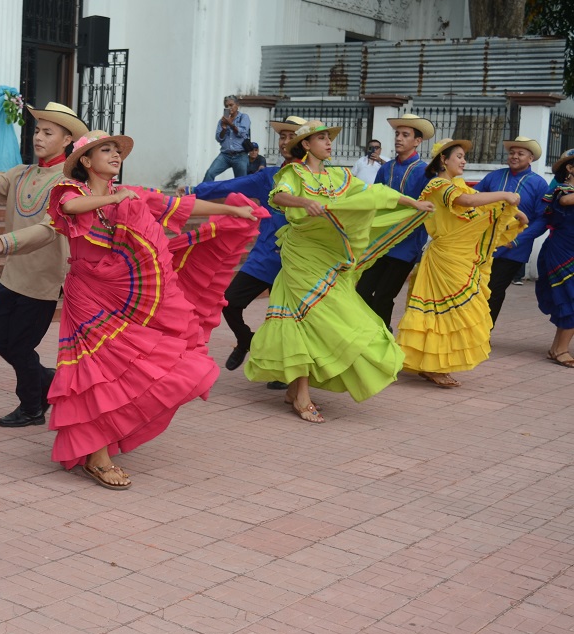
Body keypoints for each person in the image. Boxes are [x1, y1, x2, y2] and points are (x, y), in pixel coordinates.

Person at [47, 130, 265, 489]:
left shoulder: (130, 195)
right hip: (88, 295)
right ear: (85, 162)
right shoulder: (73, 192)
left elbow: (180, 207)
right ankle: (97, 456)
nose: (115, 155)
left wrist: (231, 209)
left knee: (138, 368)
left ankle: (106, 438)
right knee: (94, 371)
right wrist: (117, 196)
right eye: (106, 150)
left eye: (117, 150)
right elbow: (69, 209)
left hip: (125, 296)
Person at [244, 121, 434, 423]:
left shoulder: (339, 176)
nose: (329, 143)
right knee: (307, 318)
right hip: (301, 255)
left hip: (330, 259)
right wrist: (305, 201)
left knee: (317, 319)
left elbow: (374, 194)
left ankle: (296, 391)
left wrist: (412, 202)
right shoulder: (295, 174)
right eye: (322, 139)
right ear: (306, 145)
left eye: (329, 138)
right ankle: (301, 396)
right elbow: (278, 196)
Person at [0, 102, 88, 428]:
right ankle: (47, 380)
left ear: (67, 140)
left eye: (48, 132)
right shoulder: (21, 173)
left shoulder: (67, 185)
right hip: (13, 275)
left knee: (21, 345)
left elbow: (49, 229)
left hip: (43, 280)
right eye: (37, 130)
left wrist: (3, 241)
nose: (38, 136)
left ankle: (31, 407)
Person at [179, 115, 307, 392]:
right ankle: (245, 339)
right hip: (266, 256)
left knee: (286, 318)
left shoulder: (319, 179)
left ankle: (286, 370)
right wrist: (193, 191)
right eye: (282, 137)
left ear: (305, 142)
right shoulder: (269, 175)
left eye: (290, 137)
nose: (284, 142)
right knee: (229, 301)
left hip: (300, 260)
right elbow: (229, 187)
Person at [397, 139, 526, 388]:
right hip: (445, 258)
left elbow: (479, 204)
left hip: (460, 257)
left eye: (464, 157)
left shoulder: (458, 185)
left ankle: (435, 365)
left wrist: (510, 214)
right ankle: (433, 366)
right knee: (446, 312)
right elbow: (465, 203)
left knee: (454, 312)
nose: (463, 161)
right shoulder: (438, 185)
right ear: (443, 160)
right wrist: (505, 195)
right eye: (459, 156)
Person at [356, 114, 436, 329]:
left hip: (407, 245)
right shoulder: (386, 168)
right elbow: (376, 199)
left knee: (383, 295)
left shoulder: (426, 172)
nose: (399, 138)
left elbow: (430, 206)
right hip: (380, 243)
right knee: (361, 291)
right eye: (397, 134)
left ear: (417, 141)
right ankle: (372, 334)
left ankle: (383, 338)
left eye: (405, 135)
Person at [474, 136, 548, 325]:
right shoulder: (494, 176)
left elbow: (543, 219)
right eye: (512, 153)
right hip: (483, 242)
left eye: (520, 153)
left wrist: (517, 240)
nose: (514, 156)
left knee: (494, 289)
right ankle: (469, 331)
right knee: (475, 287)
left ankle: (483, 333)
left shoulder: (539, 184)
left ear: (530, 158)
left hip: (514, 248)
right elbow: (474, 198)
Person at [536, 148, 574, 368]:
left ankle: (557, 348)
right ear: (570, 168)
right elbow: (566, 202)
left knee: (569, 300)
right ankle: (560, 350)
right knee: (570, 297)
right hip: (562, 250)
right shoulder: (561, 190)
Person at [202, 95, 251, 182]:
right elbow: (218, 138)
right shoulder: (222, 121)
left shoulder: (244, 117)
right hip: (225, 155)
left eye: (231, 105)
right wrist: (224, 128)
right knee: (210, 173)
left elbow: (242, 133)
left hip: (240, 155)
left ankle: (240, 196)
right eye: (226, 106)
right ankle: (203, 193)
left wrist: (230, 124)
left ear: (237, 105)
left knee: (241, 181)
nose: (229, 108)